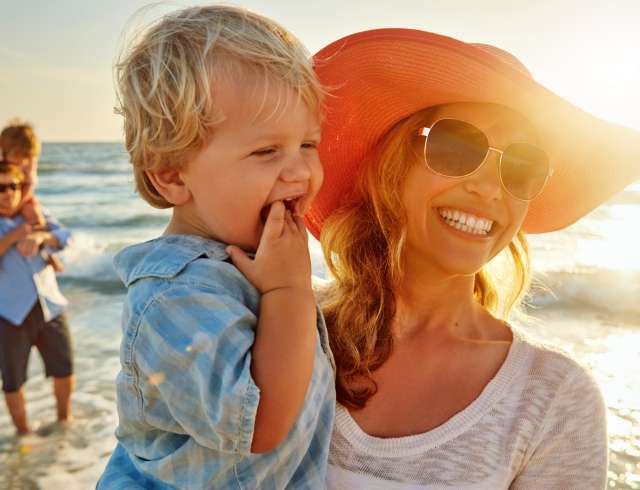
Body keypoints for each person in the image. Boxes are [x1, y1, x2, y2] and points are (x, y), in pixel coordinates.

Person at [305, 29, 640, 489]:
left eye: (522, 166)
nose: (488, 187)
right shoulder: (285, 328)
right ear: (391, 163)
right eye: (457, 147)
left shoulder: (554, 399)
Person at [97, 5, 335, 489]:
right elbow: (263, 423)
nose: (299, 172)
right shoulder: (174, 296)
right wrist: (289, 288)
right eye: (266, 151)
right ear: (170, 174)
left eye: (308, 145)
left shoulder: (244, 266)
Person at [0, 161, 74, 435]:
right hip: (9, 314)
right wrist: (16, 235)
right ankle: (23, 435)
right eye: (1, 187)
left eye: (14, 186)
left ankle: (65, 422)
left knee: (64, 369)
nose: (8, 193)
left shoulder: (36, 214)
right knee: (13, 381)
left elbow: (65, 235)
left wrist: (41, 237)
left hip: (50, 306)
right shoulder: (18, 224)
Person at [0, 121, 64, 272]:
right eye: (18, 157)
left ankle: (49, 255)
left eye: (27, 158)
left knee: (36, 220)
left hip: (25, 199)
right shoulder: (5, 166)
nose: (23, 163)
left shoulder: (28, 167)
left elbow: (28, 188)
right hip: (16, 198)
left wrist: (15, 208)